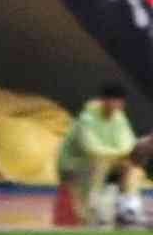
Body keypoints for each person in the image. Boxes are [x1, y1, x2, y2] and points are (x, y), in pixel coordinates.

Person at [59, 88, 140, 226]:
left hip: (103, 165)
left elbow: (128, 145)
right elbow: (90, 148)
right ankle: (94, 208)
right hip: (73, 167)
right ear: (103, 101)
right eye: (112, 100)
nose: (116, 105)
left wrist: (121, 156)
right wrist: (118, 154)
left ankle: (129, 208)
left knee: (131, 167)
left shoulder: (119, 118)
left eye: (119, 102)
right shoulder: (87, 118)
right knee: (100, 163)